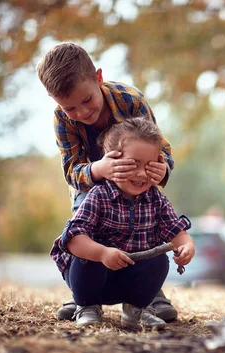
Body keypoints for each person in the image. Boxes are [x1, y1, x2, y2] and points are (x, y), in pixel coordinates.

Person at [36, 42, 179, 322]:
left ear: (99, 78)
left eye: (87, 100)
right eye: (69, 107)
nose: (81, 112)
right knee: (86, 231)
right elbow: (72, 171)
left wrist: (162, 170)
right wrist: (100, 169)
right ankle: (84, 296)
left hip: (136, 180)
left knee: (144, 224)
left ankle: (147, 294)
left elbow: (158, 148)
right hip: (90, 184)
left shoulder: (130, 101)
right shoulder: (62, 119)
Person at [50, 117, 195, 328]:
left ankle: (135, 310)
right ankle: (87, 306)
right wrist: (102, 253)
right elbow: (73, 240)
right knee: (86, 259)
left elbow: (176, 231)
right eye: (132, 164)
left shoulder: (156, 198)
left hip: (129, 278)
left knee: (159, 260)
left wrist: (187, 246)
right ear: (113, 162)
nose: (141, 173)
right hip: (94, 277)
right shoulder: (98, 196)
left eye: (149, 166)